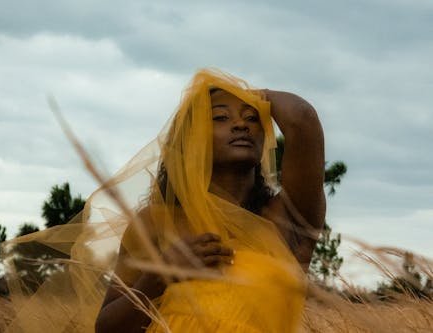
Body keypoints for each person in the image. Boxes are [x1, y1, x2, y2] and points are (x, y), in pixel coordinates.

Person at [95, 69, 325, 332]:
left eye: (252, 117)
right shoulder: (155, 222)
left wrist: (257, 95)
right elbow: (107, 329)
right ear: (192, 139)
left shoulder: (286, 219)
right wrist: (159, 276)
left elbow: (302, 118)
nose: (241, 125)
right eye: (220, 117)